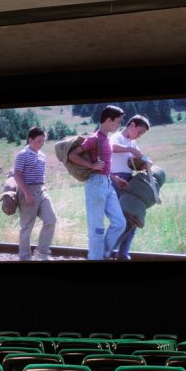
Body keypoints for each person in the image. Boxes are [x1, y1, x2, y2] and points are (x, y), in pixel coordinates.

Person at [67, 105, 127, 260]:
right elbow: (73, 155)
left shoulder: (106, 139)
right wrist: (91, 165)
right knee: (97, 228)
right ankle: (96, 257)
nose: (119, 125)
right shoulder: (94, 138)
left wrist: (114, 178)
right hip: (95, 184)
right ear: (108, 120)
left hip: (107, 183)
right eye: (118, 122)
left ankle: (103, 254)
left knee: (120, 222)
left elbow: (105, 165)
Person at [109, 114, 151, 260]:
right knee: (122, 220)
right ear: (132, 125)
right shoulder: (117, 137)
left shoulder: (132, 143)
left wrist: (145, 163)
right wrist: (132, 150)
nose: (139, 136)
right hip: (116, 180)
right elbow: (111, 148)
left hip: (128, 180)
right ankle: (106, 251)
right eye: (139, 131)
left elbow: (134, 161)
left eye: (142, 134)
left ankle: (123, 254)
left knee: (132, 218)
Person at [14, 126, 57, 261]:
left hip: (41, 191)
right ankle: (25, 258)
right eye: (39, 141)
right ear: (30, 140)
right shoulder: (22, 155)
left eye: (43, 141)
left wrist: (42, 189)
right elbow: (17, 175)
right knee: (27, 227)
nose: (41, 144)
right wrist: (27, 193)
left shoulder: (42, 155)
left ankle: (42, 254)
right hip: (27, 191)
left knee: (51, 219)